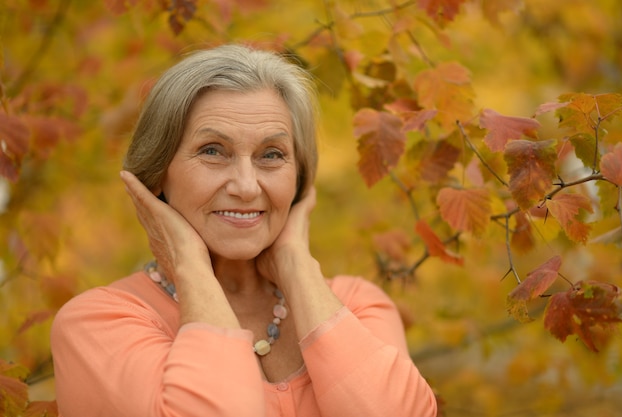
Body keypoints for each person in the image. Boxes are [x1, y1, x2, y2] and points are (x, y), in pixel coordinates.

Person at [50, 43, 437, 417]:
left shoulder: (358, 304)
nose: (248, 186)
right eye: (213, 151)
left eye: (272, 155)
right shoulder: (99, 323)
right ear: (157, 172)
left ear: (299, 178)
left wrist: (295, 264)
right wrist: (189, 265)